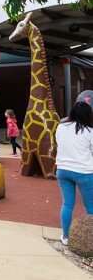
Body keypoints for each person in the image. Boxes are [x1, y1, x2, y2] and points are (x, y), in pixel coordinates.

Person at [54, 101, 93, 246]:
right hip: (85, 172)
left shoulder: (61, 127)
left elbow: (59, 144)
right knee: (90, 207)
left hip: (63, 170)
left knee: (68, 204)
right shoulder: (90, 132)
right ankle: (90, 238)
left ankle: (65, 236)